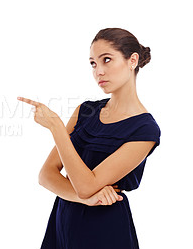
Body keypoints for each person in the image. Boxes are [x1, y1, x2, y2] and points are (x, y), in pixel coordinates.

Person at [18, 28, 161, 249]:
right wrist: (85, 199)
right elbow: (46, 175)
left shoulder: (145, 130)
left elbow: (86, 185)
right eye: (93, 64)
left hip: (105, 228)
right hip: (63, 220)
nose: (98, 72)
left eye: (106, 60)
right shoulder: (86, 111)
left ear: (132, 60)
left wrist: (56, 128)